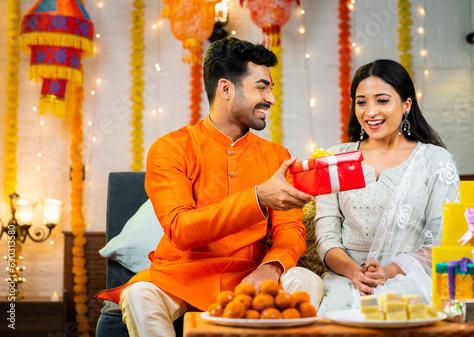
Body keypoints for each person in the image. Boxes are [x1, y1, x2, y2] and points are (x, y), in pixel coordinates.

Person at [96, 37, 323, 337]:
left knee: (307, 281)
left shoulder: (275, 156)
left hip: (250, 274)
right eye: (261, 87)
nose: (270, 98)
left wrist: (272, 268)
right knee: (138, 295)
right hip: (180, 275)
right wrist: (257, 198)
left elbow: (290, 231)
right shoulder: (171, 149)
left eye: (270, 88)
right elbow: (181, 228)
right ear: (226, 89)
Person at [315, 59, 460, 313]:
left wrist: (391, 271)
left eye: (382, 100)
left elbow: (444, 240)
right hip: (345, 279)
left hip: (410, 278)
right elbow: (326, 238)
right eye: (361, 102)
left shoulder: (435, 161)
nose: (370, 112)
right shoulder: (336, 160)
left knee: (399, 313)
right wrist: (355, 272)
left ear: (406, 105)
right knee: (335, 313)